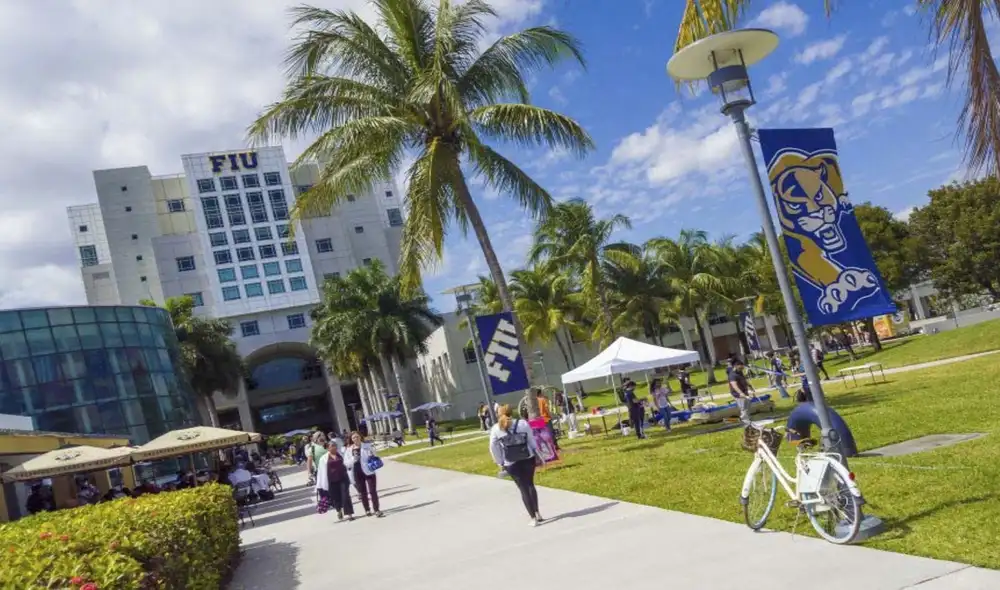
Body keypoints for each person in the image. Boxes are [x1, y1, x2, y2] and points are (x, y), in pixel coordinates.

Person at [489, 404, 543, 526]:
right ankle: (537, 512)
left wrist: (500, 461)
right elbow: (531, 439)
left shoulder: (496, 428)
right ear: (511, 412)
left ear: (499, 414)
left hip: (510, 461)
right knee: (530, 484)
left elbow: (493, 446)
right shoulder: (522, 423)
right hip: (528, 457)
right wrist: (537, 453)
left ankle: (533, 518)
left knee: (522, 488)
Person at [343, 431, 383, 518]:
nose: (356, 439)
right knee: (363, 493)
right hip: (357, 472)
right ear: (351, 439)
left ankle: (376, 509)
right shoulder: (349, 450)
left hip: (369, 471)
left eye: (357, 437)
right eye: (354, 438)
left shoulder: (367, 446)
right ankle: (367, 509)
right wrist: (354, 459)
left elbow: (375, 455)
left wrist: (372, 454)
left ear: (360, 437)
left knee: (373, 491)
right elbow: (346, 463)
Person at [316, 441, 355, 521]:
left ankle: (349, 514)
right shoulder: (323, 458)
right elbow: (321, 472)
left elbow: (348, 463)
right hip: (331, 481)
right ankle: (339, 510)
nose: (334, 447)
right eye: (332, 446)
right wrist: (319, 485)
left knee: (346, 496)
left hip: (343, 478)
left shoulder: (341, 454)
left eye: (335, 445)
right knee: (335, 498)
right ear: (328, 448)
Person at [727, 358, 754, 423]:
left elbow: (744, 379)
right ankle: (744, 421)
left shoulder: (740, 372)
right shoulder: (732, 375)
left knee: (748, 407)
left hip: (745, 392)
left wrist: (749, 386)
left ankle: (747, 419)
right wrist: (741, 393)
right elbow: (734, 386)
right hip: (738, 394)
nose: (742, 369)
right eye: (740, 367)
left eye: (742, 367)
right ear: (735, 366)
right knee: (743, 408)